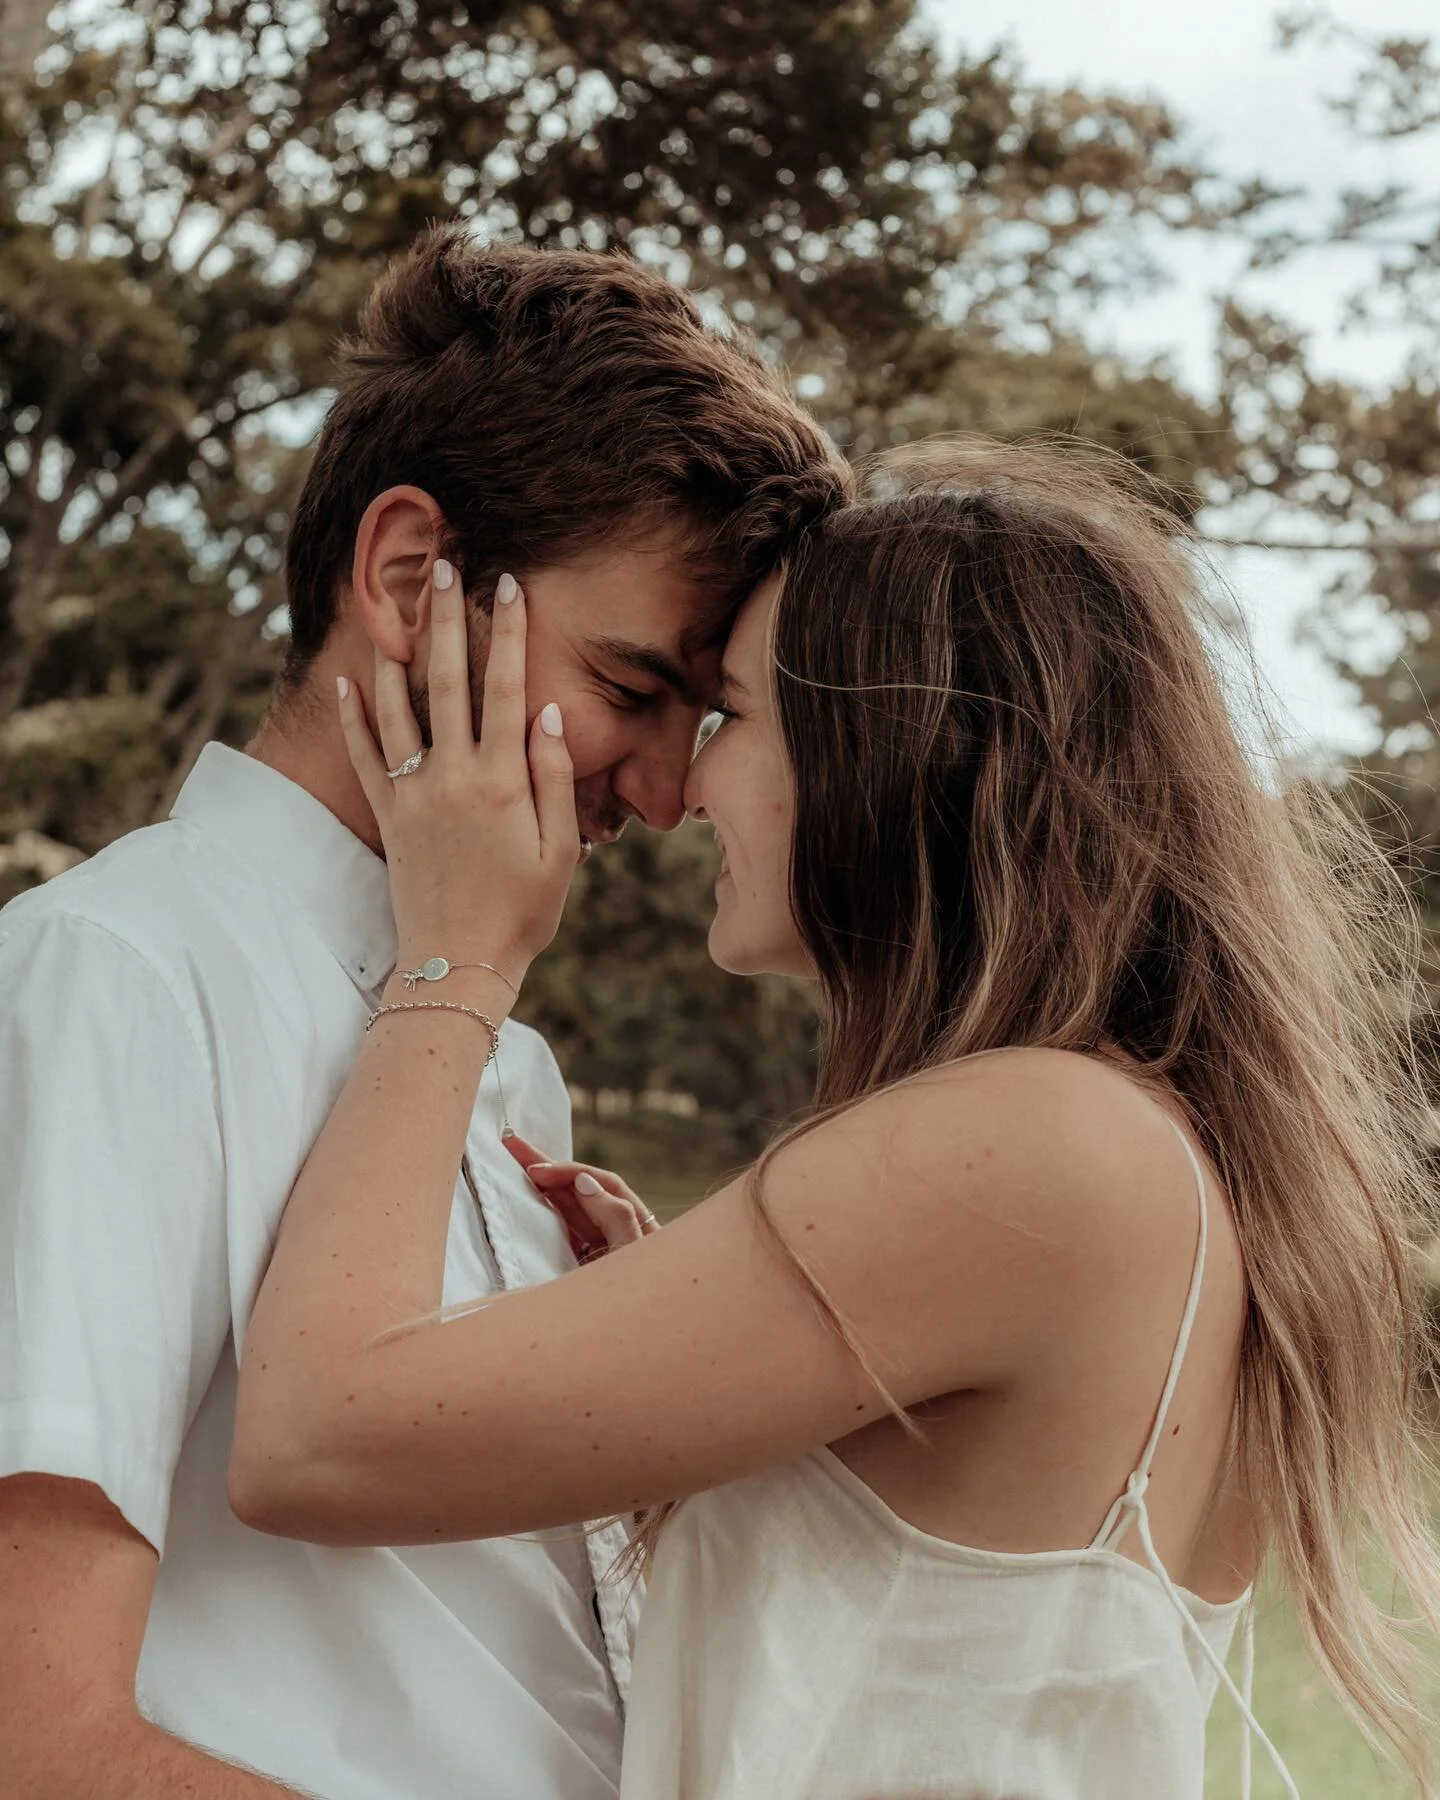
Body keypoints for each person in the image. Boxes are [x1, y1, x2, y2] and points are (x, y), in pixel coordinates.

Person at [230, 440, 1440, 1800]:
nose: (685, 793)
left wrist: (453, 957)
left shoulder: (1035, 1147)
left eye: (731, 714)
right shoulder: (1111, 1146)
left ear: (899, 747)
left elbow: (311, 1436)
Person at [0, 224, 849, 1800]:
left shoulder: (503, 1063)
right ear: (409, 581)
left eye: (708, 714)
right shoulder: (110, 981)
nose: (668, 791)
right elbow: (31, 1739)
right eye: (633, 687)